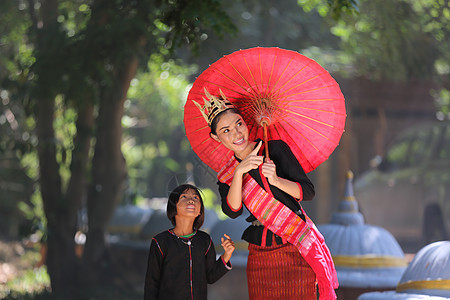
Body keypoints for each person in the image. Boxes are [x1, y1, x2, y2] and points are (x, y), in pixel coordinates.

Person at [195, 89, 338, 299]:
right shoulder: (227, 174)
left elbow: (307, 192)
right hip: (260, 248)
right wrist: (239, 172)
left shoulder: (274, 149)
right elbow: (232, 211)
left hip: (294, 242)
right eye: (225, 131)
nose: (236, 133)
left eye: (238, 124)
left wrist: (277, 180)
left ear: (245, 122)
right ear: (216, 137)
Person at [144, 183, 235, 300]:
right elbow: (151, 284)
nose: (191, 200)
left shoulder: (205, 240)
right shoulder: (160, 242)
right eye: (184, 197)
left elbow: (211, 277)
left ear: (199, 211)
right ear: (173, 206)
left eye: (195, 198)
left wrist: (226, 255)